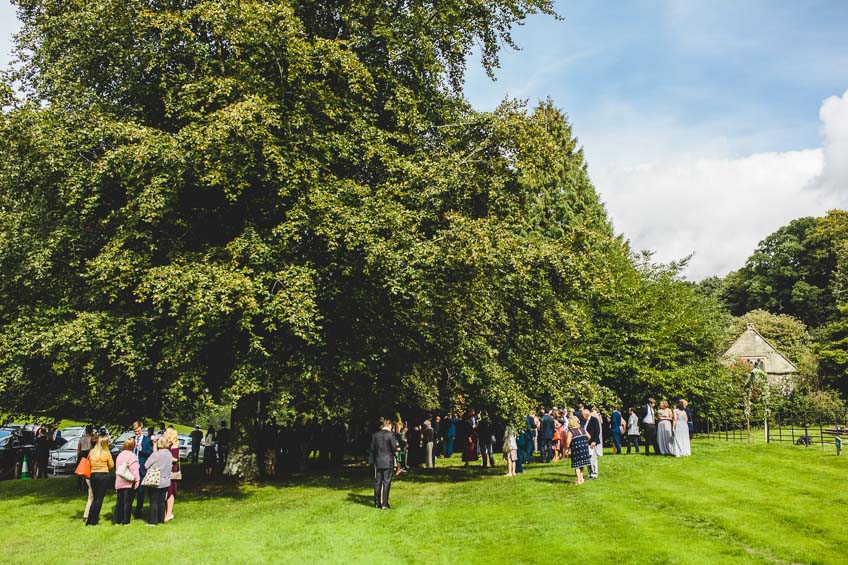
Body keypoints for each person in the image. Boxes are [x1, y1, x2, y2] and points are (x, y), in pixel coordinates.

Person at [85, 429, 114, 525]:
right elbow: (111, 465)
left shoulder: (92, 452)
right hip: (103, 475)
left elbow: (89, 463)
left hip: (93, 475)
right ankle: (94, 520)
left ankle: (89, 519)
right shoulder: (106, 453)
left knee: (94, 497)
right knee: (99, 499)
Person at [371, 417, 399, 509]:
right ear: (389, 425)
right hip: (388, 461)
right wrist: (397, 449)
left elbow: (372, 449)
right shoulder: (391, 435)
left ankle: (377, 502)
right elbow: (394, 448)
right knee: (386, 482)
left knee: (377, 482)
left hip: (378, 461)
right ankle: (385, 503)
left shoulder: (375, 435)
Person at [145, 437, 173, 525]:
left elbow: (146, 465)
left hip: (155, 480)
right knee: (161, 501)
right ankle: (161, 518)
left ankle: (153, 521)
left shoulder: (156, 455)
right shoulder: (169, 454)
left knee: (153, 501)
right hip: (166, 480)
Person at [114, 438, 140, 525]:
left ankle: (117, 520)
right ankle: (126, 521)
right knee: (127, 502)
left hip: (119, 481)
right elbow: (134, 469)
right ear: (133, 446)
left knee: (119, 502)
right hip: (128, 482)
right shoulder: (132, 456)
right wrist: (137, 480)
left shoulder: (120, 455)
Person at [132, 420, 154, 520]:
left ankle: (138, 510)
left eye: (139, 430)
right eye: (135, 431)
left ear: (142, 428)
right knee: (131, 490)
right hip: (132, 468)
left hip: (141, 468)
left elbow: (150, 454)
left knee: (140, 491)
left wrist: (142, 450)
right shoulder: (131, 440)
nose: (137, 433)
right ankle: (128, 509)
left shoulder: (147, 440)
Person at [565, 416, 591, 485]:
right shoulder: (582, 429)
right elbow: (589, 436)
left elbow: (568, 441)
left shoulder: (570, 431)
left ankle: (578, 480)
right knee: (582, 464)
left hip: (576, 449)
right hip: (584, 448)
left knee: (577, 465)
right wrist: (584, 441)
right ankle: (582, 478)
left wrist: (567, 448)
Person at [164, 427, 180, 522]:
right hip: (165, 469)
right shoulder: (166, 444)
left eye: (166, 431)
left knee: (170, 491)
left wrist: (165, 457)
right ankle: (165, 512)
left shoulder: (174, 445)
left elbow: (176, 459)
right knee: (166, 491)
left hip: (172, 470)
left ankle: (169, 513)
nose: (164, 433)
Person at [77, 425, 95, 492]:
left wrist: (77, 456)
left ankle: (79, 486)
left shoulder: (81, 438)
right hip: (88, 453)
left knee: (81, 471)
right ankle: (86, 485)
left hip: (81, 454)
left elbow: (78, 449)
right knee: (88, 470)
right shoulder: (91, 438)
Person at [583, 409, 600, 479]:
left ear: (586, 414)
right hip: (587, 442)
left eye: (583, 414)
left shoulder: (594, 420)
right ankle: (590, 473)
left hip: (592, 442)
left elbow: (597, 431)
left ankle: (594, 473)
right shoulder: (586, 421)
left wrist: (594, 441)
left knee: (593, 458)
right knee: (588, 459)